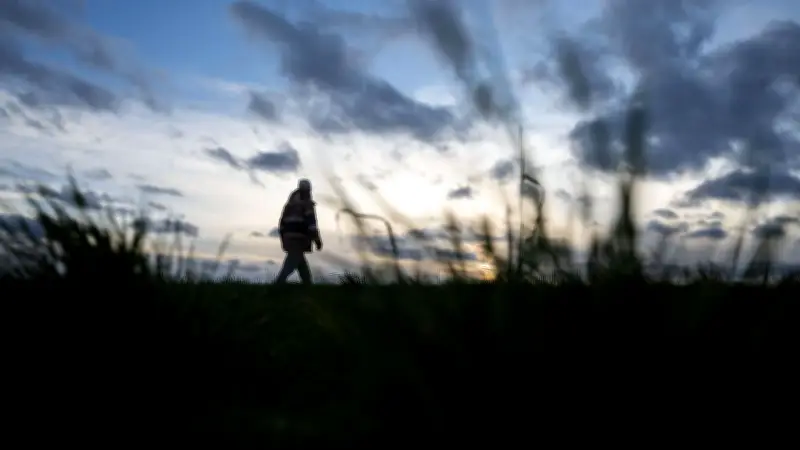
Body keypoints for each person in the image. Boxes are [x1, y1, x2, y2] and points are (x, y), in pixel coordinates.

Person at [273, 178, 323, 284]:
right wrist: (317, 240)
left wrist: (284, 239)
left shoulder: (289, 205)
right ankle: (279, 283)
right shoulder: (307, 204)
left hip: (288, 238)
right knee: (292, 261)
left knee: (300, 261)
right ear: (308, 190)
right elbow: (312, 224)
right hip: (300, 238)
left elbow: (281, 224)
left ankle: (307, 283)